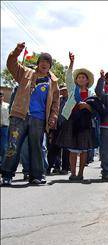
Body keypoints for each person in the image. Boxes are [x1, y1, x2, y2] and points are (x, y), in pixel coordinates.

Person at [1, 42, 59, 186]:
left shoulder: (53, 82)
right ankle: (7, 175)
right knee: (13, 146)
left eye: (47, 62)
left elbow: (56, 103)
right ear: (38, 63)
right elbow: (11, 64)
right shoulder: (25, 72)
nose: (44, 64)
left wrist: (53, 116)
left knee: (37, 147)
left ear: (50, 66)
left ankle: (37, 175)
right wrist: (17, 51)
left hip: (39, 119)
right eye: (42, 61)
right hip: (20, 116)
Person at [56, 52, 96, 181]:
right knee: (72, 149)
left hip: (85, 122)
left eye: (83, 77)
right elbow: (68, 76)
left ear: (87, 80)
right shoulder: (73, 89)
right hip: (72, 120)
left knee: (84, 149)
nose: (81, 79)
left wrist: (87, 106)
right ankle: (72, 173)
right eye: (79, 77)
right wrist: (71, 63)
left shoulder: (91, 93)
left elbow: (95, 108)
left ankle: (81, 173)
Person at [47, 85, 69, 175]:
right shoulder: (57, 100)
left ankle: (65, 168)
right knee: (54, 147)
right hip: (57, 127)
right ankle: (48, 167)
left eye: (64, 90)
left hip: (67, 127)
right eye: (61, 90)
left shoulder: (71, 100)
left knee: (66, 149)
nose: (62, 92)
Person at [0, 91, 9, 167]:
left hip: (5, 128)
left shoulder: (7, 105)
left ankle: (3, 165)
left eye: (1, 96)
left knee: (4, 147)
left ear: (3, 96)